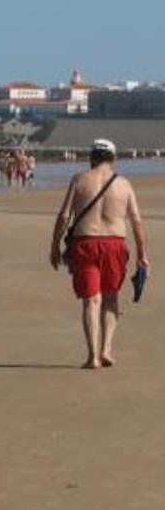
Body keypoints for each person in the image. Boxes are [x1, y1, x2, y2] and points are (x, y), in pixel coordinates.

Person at [49, 139, 149, 369]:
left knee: (91, 300)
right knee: (111, 297)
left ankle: (92, 356)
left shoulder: (79, 179)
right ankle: (107, 350)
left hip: (85, 243)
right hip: (114, 243)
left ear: (92, 157)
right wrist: (142, 253)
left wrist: (54, 245)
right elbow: (136, 221)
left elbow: (64, 216)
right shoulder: (124, 184)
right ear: (113, 159)